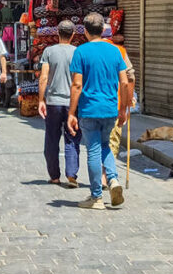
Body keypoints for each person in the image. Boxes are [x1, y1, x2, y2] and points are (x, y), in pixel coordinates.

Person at [67, 12, 130, 210]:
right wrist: (124, 109)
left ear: (84, 31)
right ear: (103, 30)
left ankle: (96, 197)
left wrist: (71, 113)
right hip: (110, 108)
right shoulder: (115, 51)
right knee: (105, 146)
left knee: (93, 150)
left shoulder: (81, 52)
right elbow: (125, 81)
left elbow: (77, 85)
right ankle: (113, 179)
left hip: (89, 109)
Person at [38, 19, 80, 186]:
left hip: (53, 102)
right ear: (73, 34)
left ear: (57, 33)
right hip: (72, 103)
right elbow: (79, 81)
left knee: (51, 139)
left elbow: (43, 77)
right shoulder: (78, 52)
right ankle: (72, 175)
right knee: (72, 137)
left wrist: (41, 99)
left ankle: (54, 176)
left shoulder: (49, 51)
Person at [104, 31, 135, 166]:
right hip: (114, 104)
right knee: (112, 141)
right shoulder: (120, 51)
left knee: (95, 144)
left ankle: (101, 176)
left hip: (91, 106)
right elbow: (130, 77)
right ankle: (109, 175)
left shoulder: (84, 50)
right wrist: (128, 102)